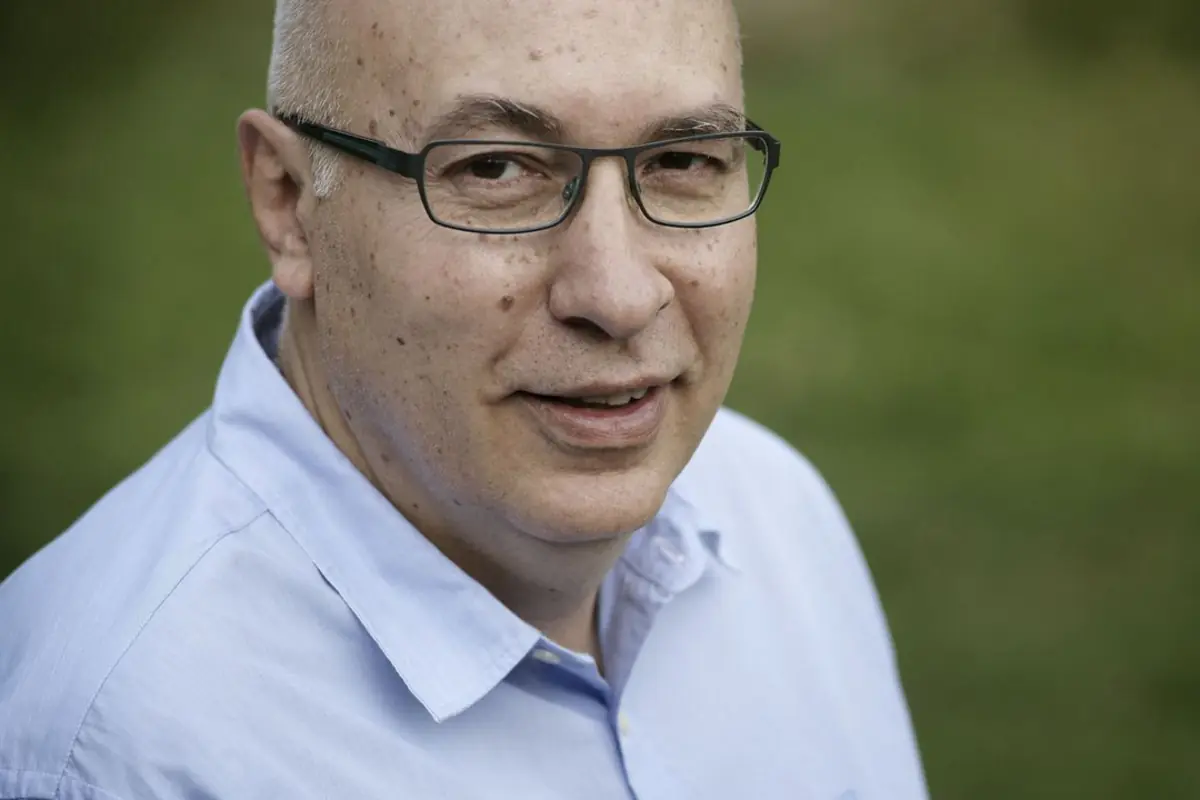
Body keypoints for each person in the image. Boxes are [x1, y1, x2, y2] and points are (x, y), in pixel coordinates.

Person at [0, 1, 928, 797]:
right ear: (287, 201)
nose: (616, 293)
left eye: (683, 158)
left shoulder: (778, 516)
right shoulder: (113, 753)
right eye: (494, 170)